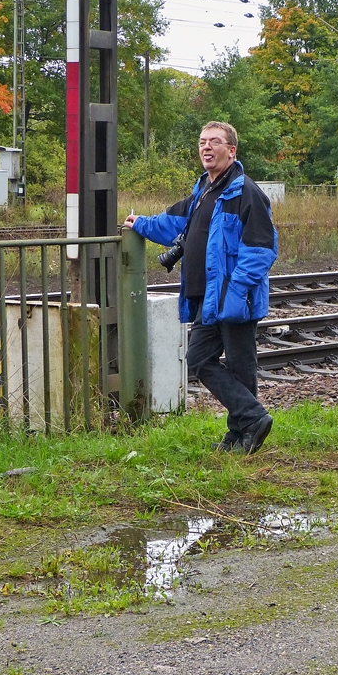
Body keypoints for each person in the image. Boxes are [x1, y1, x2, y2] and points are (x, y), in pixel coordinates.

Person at [124, 121, 277, 455]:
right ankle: (250, 421)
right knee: (198, 358)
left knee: (240, 365)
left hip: (234, 297)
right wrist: (140, 224)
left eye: (215, 142)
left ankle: (242, 433)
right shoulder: (202, 193)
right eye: (202, 142)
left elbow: (262, 250)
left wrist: (235, 289)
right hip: (208, 298)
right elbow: (170, 224)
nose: (206, 148)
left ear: (231, 150)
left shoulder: (246, 192)